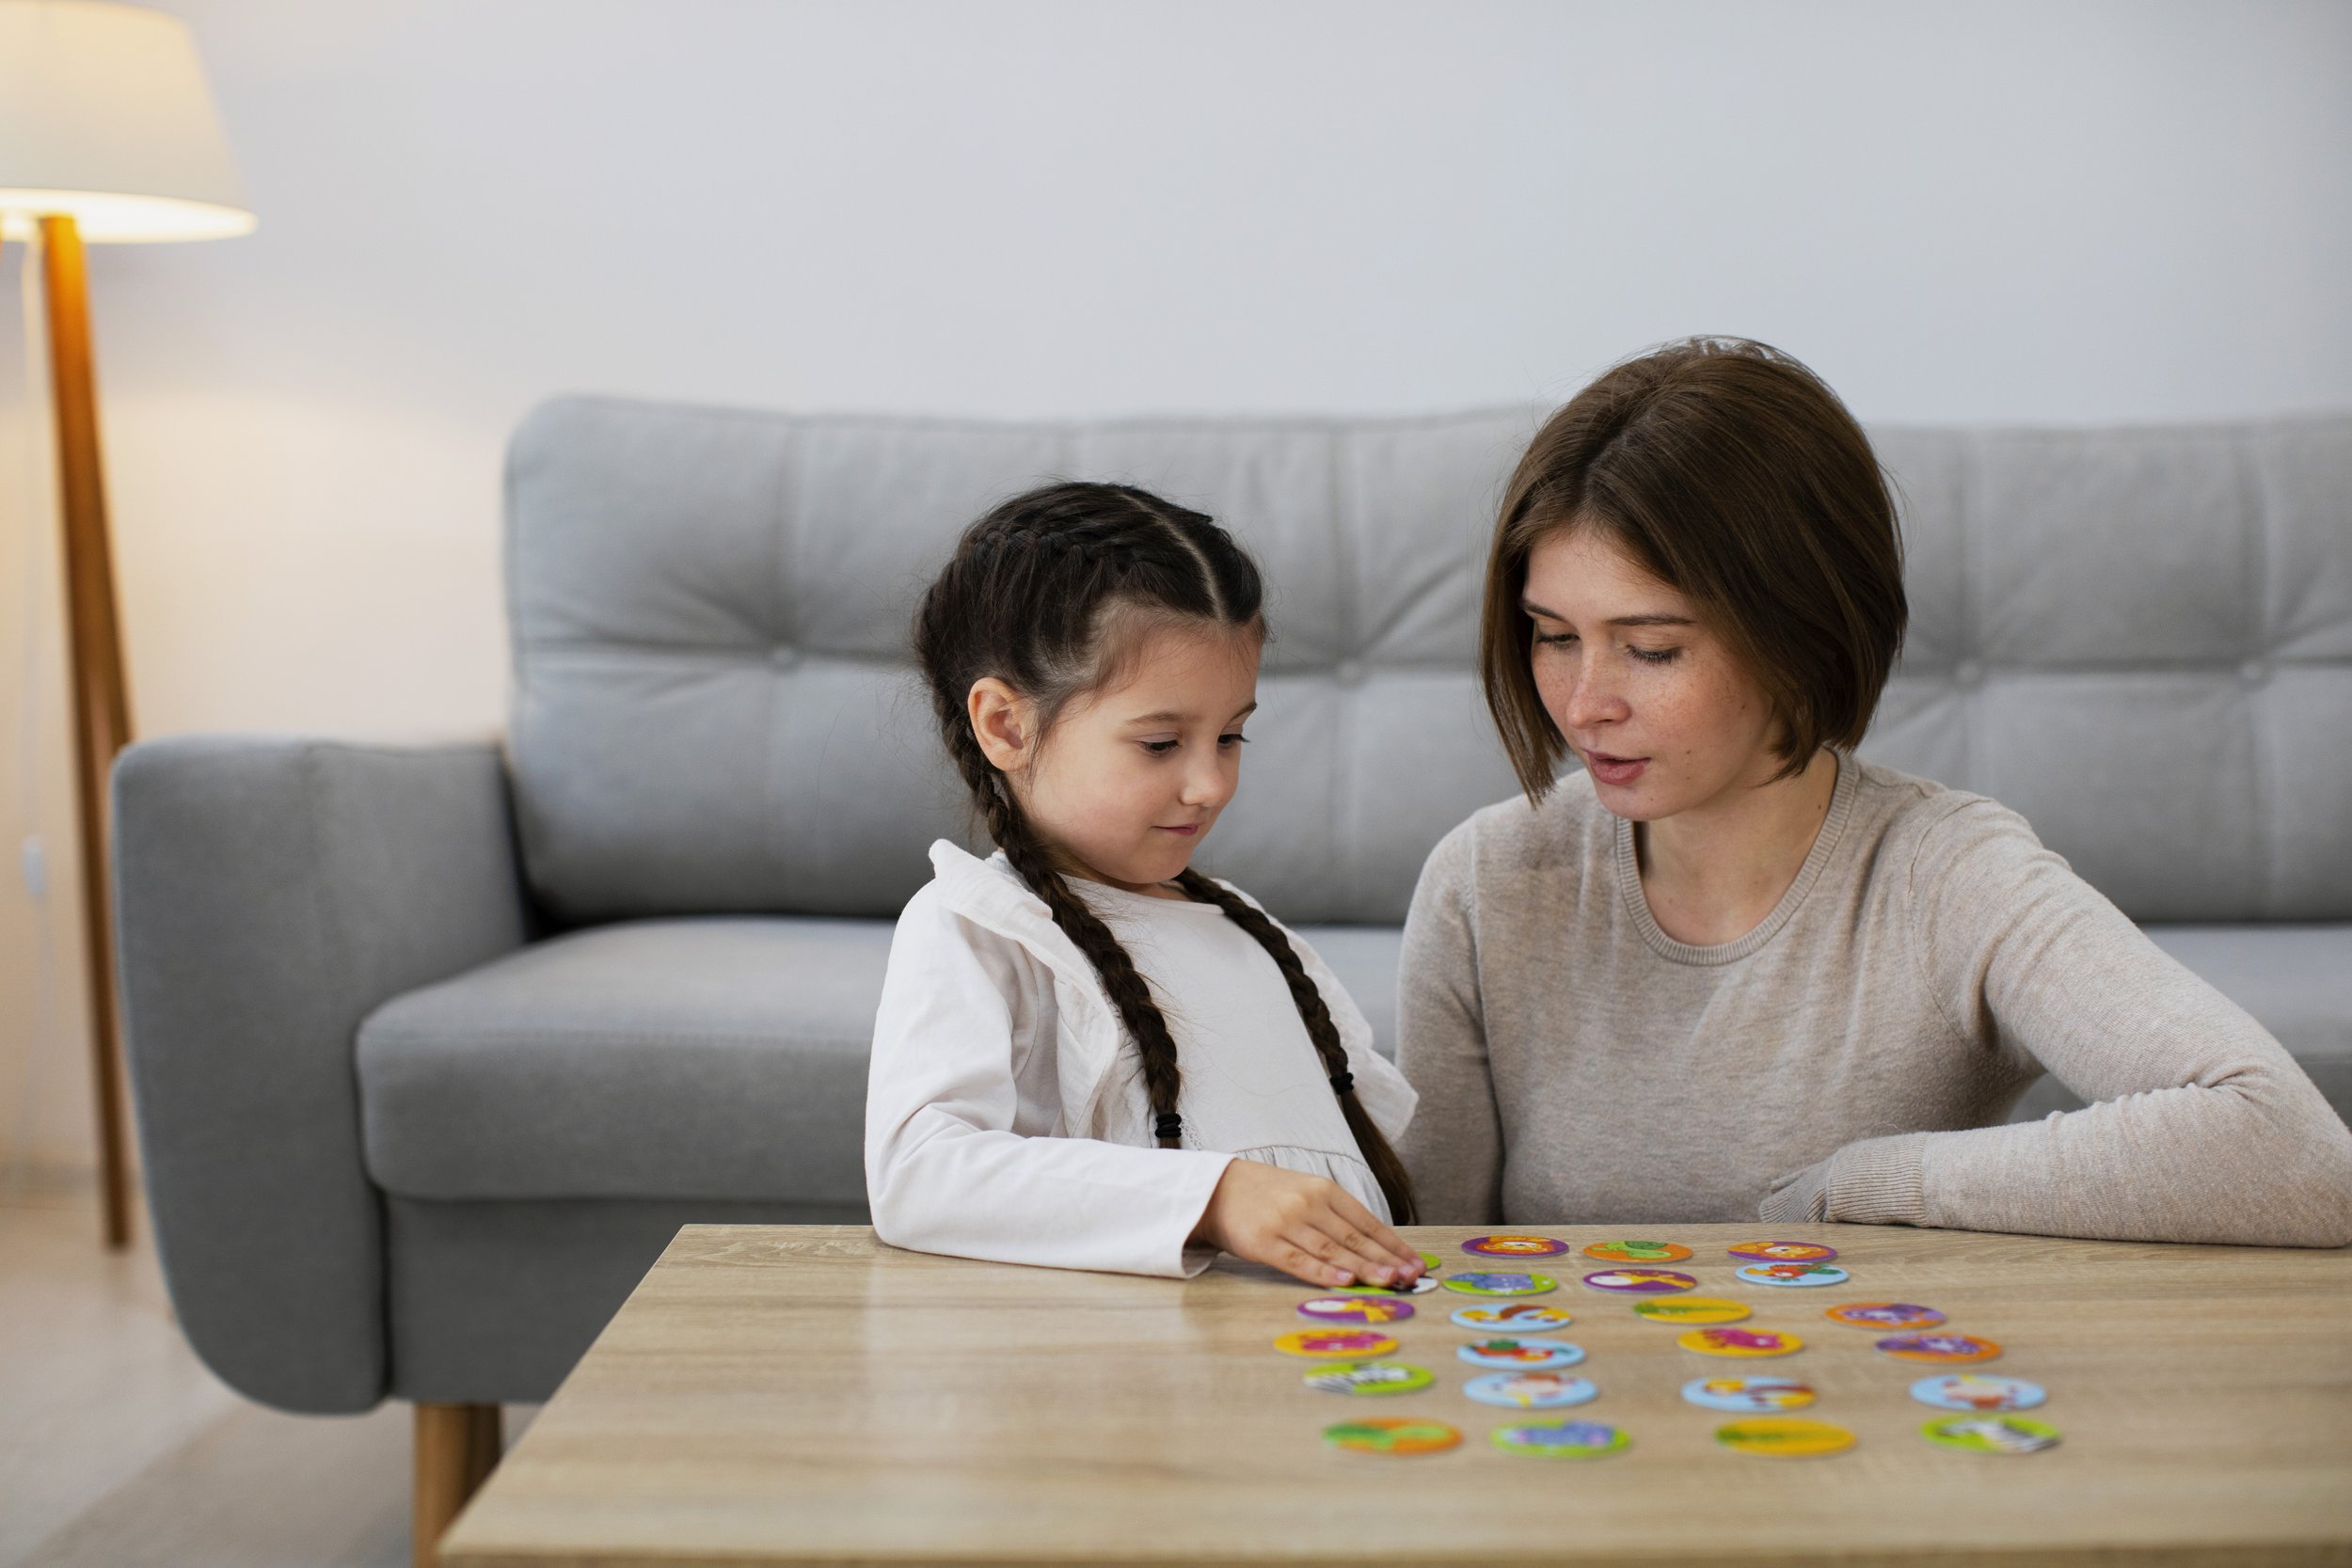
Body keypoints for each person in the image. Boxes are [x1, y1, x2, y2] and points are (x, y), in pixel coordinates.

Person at [1397, 337, 2352, 1244]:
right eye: (1552, 635)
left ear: (1798, 633)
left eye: (1652, 648)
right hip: (1566, 1413)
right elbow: (1429, 1259)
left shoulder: (1949, 875)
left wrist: (1861, 1185)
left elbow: (2294, 1152)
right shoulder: (1485, 880)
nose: (1583, 702)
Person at [866, 481, 1425, 1285]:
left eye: (1231, 735)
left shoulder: (1254, 932)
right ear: (1006, 725)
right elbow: (919, 1174)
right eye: (1161, 743)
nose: (1210, 784)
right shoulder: (980, 925)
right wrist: (1215, 1196)